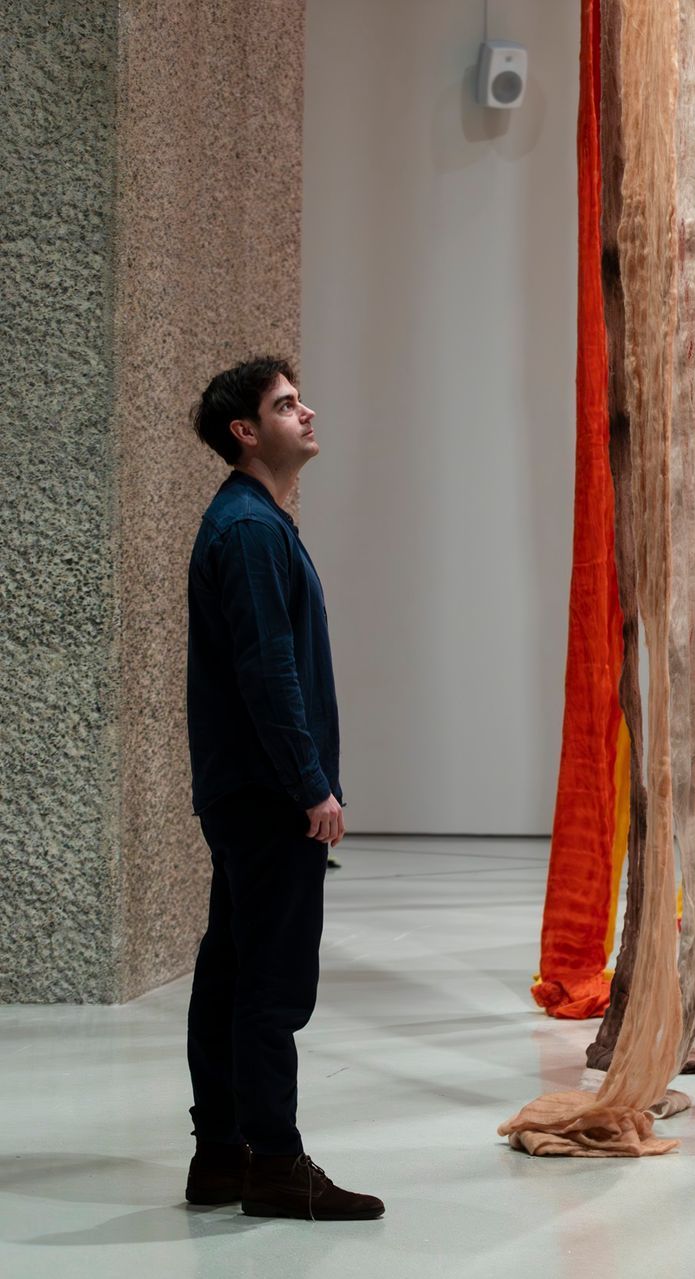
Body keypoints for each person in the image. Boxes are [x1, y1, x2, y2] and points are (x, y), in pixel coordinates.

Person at [182, 357, 382, 1221]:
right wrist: (312, 785)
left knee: (230, 972)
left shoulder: (249, 522)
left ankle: (222, 1156)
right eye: (286, 404)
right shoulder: (253, 532)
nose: (307, 413)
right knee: (271, 984)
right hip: (268, 796)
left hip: (243, 791)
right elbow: (270, 675)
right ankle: (275, 1163)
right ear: (245, 431)